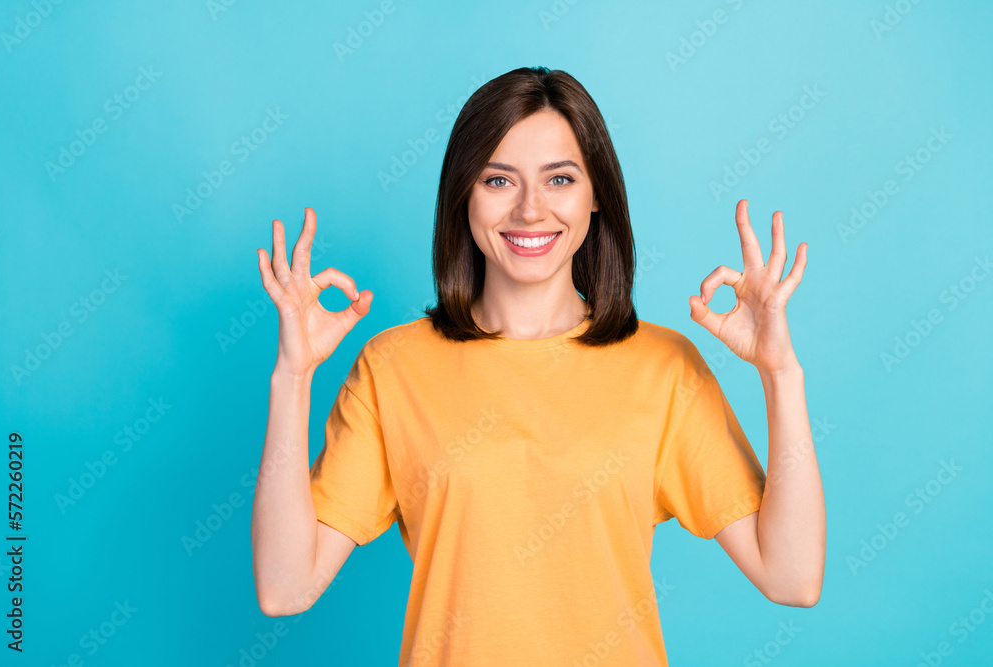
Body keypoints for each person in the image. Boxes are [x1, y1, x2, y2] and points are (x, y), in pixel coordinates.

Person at [251, 66, 825, 666]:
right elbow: (286, 587)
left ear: (596, 193)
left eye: (560, 179)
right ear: (464, 195)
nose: (531, 209)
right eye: (499, 179)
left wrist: (780, 373)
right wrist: (292, 377)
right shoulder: (395, 366)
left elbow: (791, 578)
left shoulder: (663, 367)